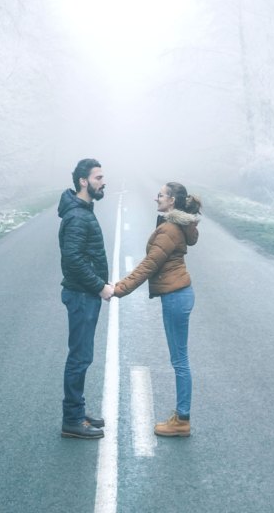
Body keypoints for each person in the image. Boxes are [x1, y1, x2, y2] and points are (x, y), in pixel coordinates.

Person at [112, 182, 201, 438]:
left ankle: (182, 419)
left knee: (180, 361)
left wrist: (120, 288)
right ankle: (181, 415)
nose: (156, 198)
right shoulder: (174, 225)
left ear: (172, 201)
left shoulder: (170, 230)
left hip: (176, 296)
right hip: (179, 294)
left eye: (161, 195)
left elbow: (148, 265)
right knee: (180, 360)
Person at [58, 158, 114, 439]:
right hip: (82, 294)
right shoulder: (78, 216)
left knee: (82, 357)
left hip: (84, 293)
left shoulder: (82, 211)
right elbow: (74, 261)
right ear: (83, 181)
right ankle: (72, 420)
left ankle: (77, 412)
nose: (103, 182)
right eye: (98, 177)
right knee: (79, 358)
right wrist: (100, 286)